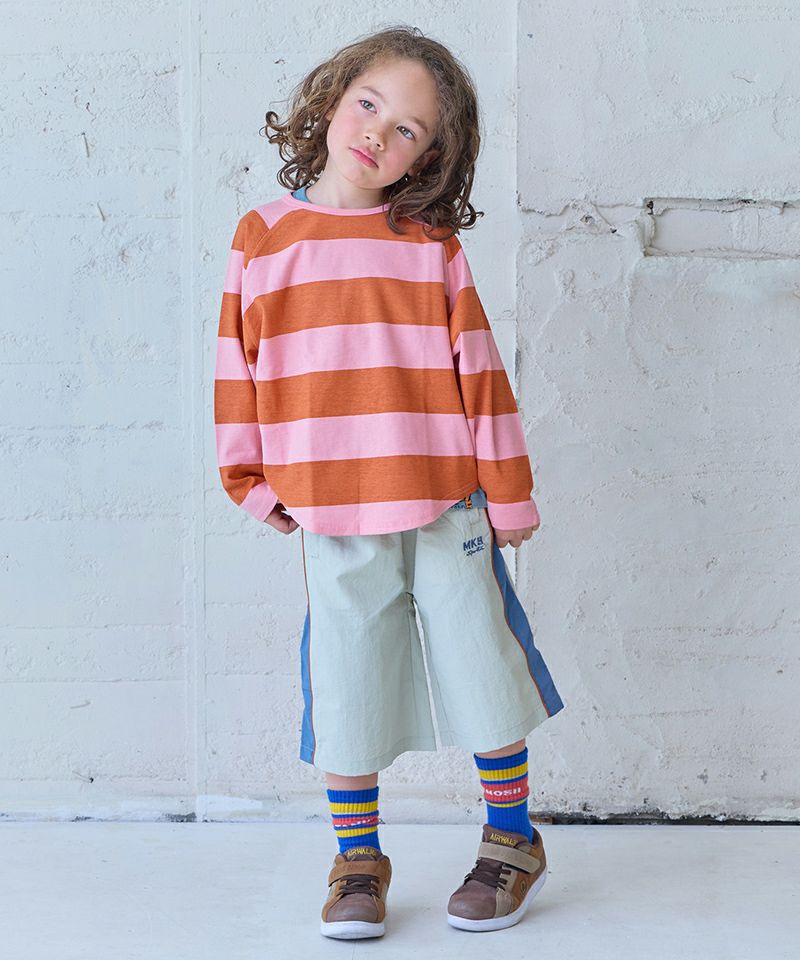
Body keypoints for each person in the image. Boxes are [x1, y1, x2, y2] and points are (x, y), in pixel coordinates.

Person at [213, 24, 566, 940]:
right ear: (332, 100)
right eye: (368, 104)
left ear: (430, 157)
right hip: (330, 508)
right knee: (347, 680)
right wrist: (249, 481)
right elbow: (236, 367)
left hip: (448, 501)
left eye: (407, 128)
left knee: (482, 665)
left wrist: (510, 491)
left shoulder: (430, 246)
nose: (377, 131)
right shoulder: (265, 238)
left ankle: (512, 839)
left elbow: (480, 373)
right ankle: (358, 858)